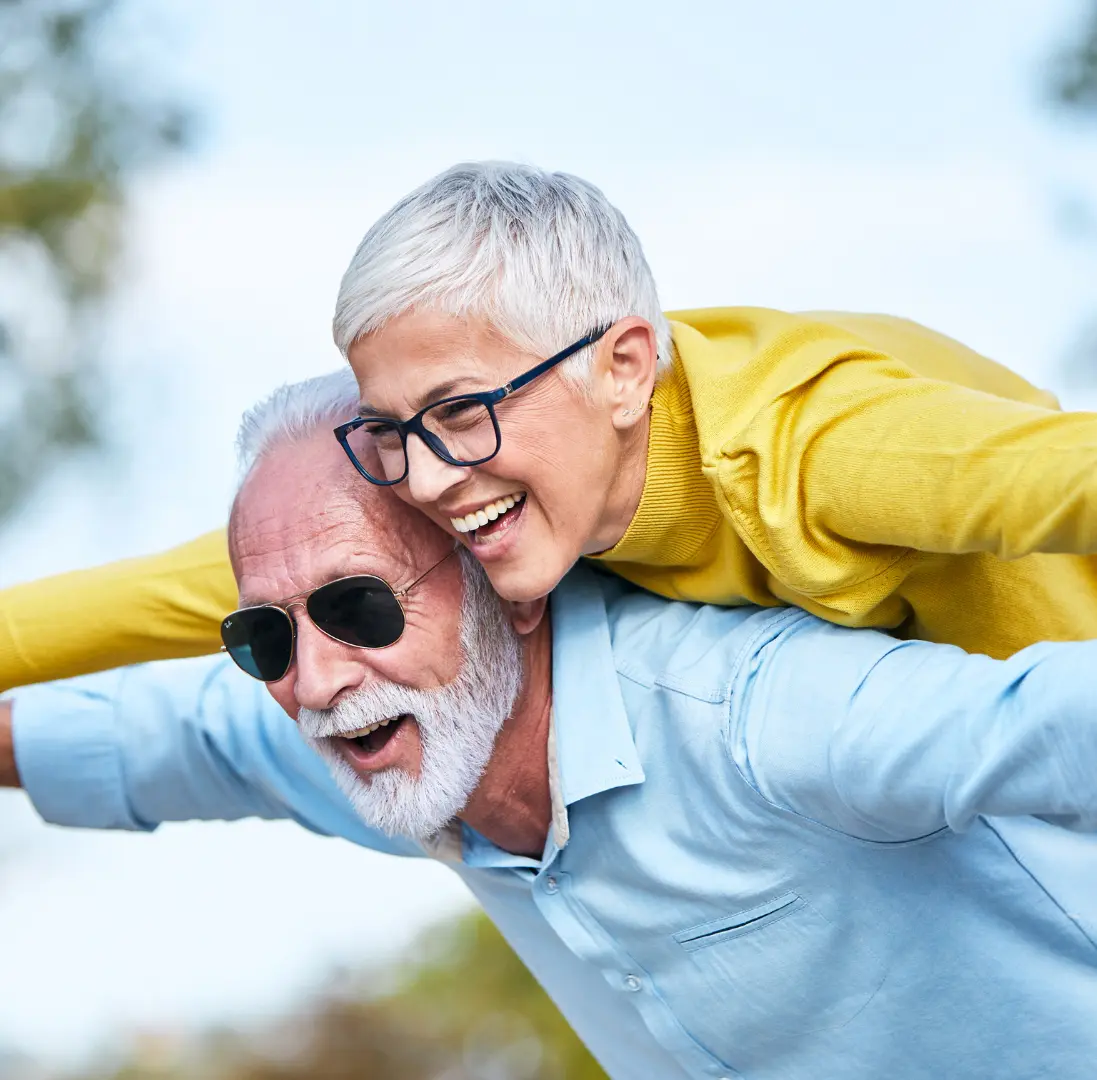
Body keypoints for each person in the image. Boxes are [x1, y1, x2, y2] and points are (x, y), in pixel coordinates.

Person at [3, 370, 1097, 1080]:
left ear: (506, 586)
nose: (318, 678)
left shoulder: (746, 713)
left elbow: (1038, 724)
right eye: (264, 638)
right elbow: (158, 739)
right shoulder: (388, 740)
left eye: (358, 605)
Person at [4, 161, 1097, 693]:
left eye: (461, 412)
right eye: (388, 429)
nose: (425, 478)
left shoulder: (812, 452)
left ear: (623, 370)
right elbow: (170, 593)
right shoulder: (479, 487)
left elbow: (1053, 476)